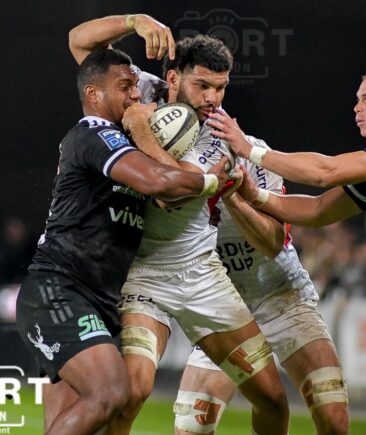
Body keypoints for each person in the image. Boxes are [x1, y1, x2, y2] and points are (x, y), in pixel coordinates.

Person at [69, 14, 289, 435]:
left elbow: (170, 193)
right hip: (142, 272)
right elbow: (79, 42)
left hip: (201, 273)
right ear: (172, 78)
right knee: (131, 392)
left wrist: (140, 130)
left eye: (221, 88)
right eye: (202, 85)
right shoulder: (141, 89)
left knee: (272, 398)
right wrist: (134, 21)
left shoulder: (222, 134)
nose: (213, 98)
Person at [208, 67, 366, 435]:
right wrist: (253, 194)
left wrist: (250, 150)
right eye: (357, 100)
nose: (357, 108)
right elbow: (317, 210)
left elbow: (325, 172)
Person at [15, 45, 229, 435]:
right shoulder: (94, 133)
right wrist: (212, 181)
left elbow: (166, 193)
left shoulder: (123, 143)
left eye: (135, 86)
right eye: (124, 87)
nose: (135, 95)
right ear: (94, 94)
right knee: (112, 393)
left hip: (95, 297)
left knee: (80, 417)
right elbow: (159, 181)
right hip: (59, 292)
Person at [173, 141, 349, 435]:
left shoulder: (252, 153)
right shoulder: (171, 168)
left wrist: (232, 196)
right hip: (224, 308)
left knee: (333, 418)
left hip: (282, 297)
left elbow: (272, 242)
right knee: (190, 428)